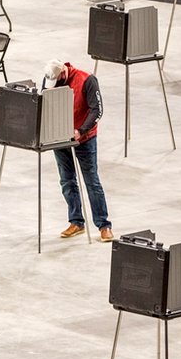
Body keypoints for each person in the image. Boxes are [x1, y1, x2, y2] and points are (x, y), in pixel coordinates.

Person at [43, 60, 113, 243]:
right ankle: (76, 222)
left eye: (59, 80)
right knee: (67, 181)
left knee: (92, 182)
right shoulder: (51, 79)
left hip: (85, 139)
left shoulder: (87, 80)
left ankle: (104, 225)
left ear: (64, 73)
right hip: (60, 139)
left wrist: (80, 131)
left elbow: (97, 110)